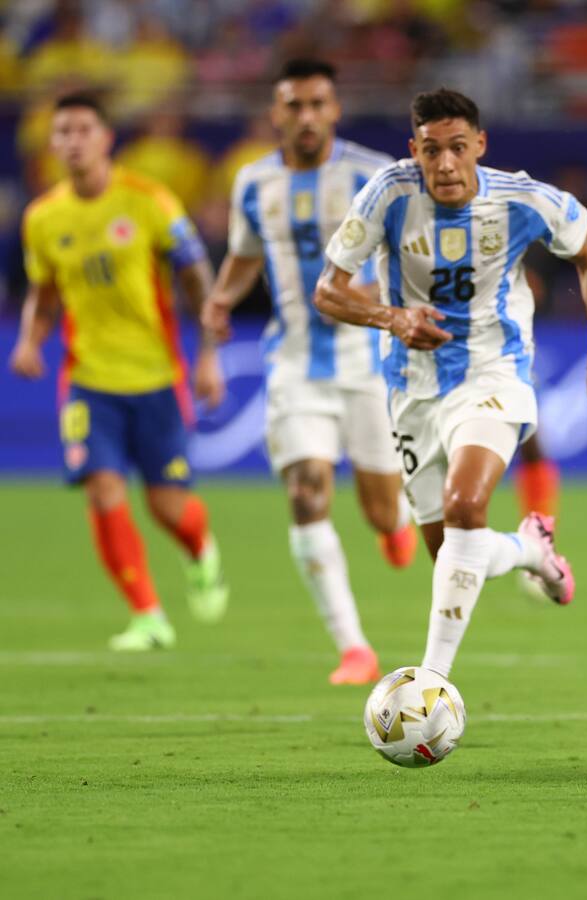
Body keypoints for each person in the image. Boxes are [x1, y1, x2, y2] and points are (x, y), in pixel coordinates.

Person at [314, 88, 587, 678]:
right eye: (432, 150)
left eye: (458, 148)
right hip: (411, 389)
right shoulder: (388, 194)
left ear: (479, 146)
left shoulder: (520, 198)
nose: (446, 163)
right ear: (415, 150)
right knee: (452, 556)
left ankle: (430, 683)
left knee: (465, 505)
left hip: (493, 373)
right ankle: (526, 550)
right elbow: (328, 290)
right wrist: (392, 316)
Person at [202, 59, 418, 686]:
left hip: (367, 362)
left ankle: (394, 525)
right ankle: (355, 647)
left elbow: (406, 253)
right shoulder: (253, 181)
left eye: (316, 104)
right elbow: (245, 256)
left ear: (335, 110)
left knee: (382, 511)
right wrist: (219, 302)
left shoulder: (372, 174)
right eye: (292, 106)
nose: (305, 117)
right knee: (306, 491)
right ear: (276, 114)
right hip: (293, 362)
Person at [8, 92, 228, 652]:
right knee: (103, 488)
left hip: (157, 376)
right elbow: (43, 292)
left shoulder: (149, 201)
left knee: (168, 507)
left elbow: (197, 277)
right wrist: (31, 339)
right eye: (63, 132)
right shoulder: (43, 217)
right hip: (88, 381)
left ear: (107, 139)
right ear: (52, 143)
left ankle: (201, 551)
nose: (73, 140)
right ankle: (148, 615)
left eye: (84, 129)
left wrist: (206, 357)